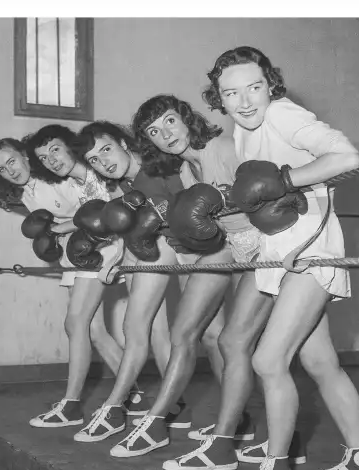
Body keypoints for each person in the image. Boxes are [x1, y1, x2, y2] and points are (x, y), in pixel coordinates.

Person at [167, 46, 359, 470]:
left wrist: (288, 180)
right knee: (320, 363)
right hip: (282, 257)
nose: (245, 101)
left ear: (270, 84)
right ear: (218, 98)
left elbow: (346, 157)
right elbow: (260, 203)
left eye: (254, 87)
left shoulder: (284, 114)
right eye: (231, 93)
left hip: (311, 255)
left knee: (268, 360)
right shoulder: (245, 132)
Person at [107, 95, 262, 458]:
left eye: (170, 122)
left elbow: (268, 191)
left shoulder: (224, 147)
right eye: (155, 131)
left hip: (261, 248)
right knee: (184, 331)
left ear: (186, 118)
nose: (166, 134)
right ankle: (159, 421)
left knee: (246, 347)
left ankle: (257, 432)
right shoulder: (187, 169)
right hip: (225, 246)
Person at [71, 120, 238, 441]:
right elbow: (137, 224)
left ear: (124, 142)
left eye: (106, 149)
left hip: (202, 251)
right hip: (172, 252)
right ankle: (117, 407)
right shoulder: (126, 185)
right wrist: (116, 255)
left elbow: (197, 204)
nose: (103, 162)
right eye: (94, 159)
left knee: (215, 336)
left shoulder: (161, 167)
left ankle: (234, 421)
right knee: (156, 329)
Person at [0, 129, 141, 429]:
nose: (10, 170)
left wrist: (57, 229)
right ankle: (135, 393)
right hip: (76, 256)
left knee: (75, 323)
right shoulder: (27, 192)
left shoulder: (54, 179)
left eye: (12, 161)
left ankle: (71, 404)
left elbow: (92, 211)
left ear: (25, 156)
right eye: (2, 168)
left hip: (96, 250)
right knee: (93, 331)